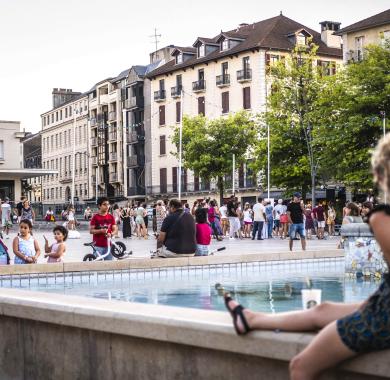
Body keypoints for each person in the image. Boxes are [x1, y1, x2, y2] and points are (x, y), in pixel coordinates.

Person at [223, 134, 390, 380]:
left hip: (383, 317)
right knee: (323, 309)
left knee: (301, 366)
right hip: (382, 302)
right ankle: (251, 318)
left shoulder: (382, 218)